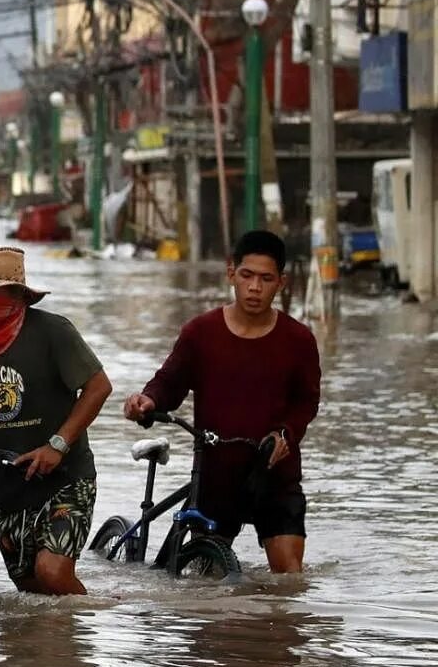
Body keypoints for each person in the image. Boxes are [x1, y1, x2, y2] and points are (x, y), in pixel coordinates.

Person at [122, 230, 320, 573]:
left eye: (266, 278)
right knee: (205, 586)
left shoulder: (299, 340)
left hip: (275, 474)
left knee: (289, 581)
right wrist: (147, 402)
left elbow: (306, 402)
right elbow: (169, 382)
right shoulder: (201, 333)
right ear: (231, 273)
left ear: (281, 283)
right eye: (247, 276)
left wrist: (285, 434)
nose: (255, 287)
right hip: (216, 475)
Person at [0, 245, 112, 595]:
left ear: (16, 296)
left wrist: (58, 445)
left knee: (52, 573)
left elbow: (98, 387)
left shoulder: (52, 332)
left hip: (64, 476)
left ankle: (92, 629)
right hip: (8, 483)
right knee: (30, 592)